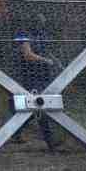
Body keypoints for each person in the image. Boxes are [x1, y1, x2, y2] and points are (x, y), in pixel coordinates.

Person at [12, 13, 58, 150]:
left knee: (33, 108)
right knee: (39, 105)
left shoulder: (43, 34)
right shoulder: (24, 34)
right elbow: (27, 55)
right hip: (30, 75)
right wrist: (45, 60)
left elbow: (46, 51)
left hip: (44, 75)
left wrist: (53, 60)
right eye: (39, 21)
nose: (42, 23)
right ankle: (50, 141)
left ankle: (16, 130)